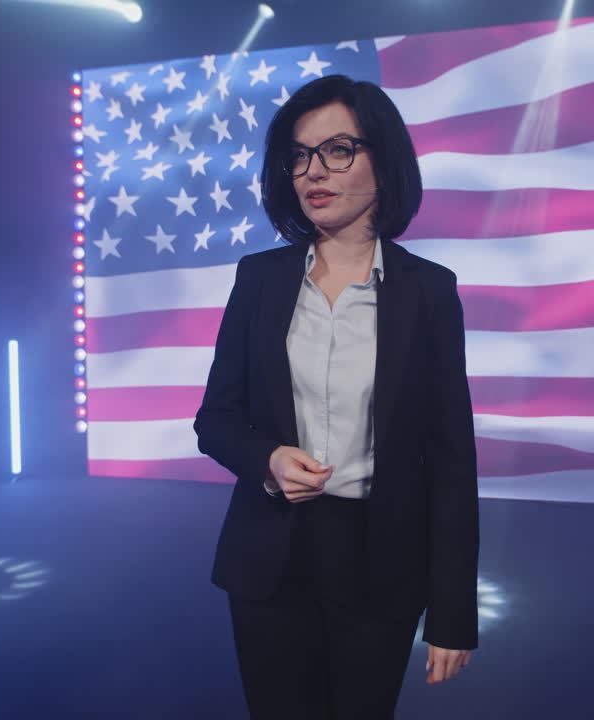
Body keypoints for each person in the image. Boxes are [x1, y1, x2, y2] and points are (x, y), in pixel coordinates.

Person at [193, 73, 480, 719]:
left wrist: (453, 612)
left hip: (380, 562)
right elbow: (216, 419)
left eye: (338, 150)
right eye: (298, 155)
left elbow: (451, 461)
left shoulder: (429, 291)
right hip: (269, 557)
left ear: (385, 158)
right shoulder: (260, 279)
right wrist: (267, 459)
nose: (312, 172)